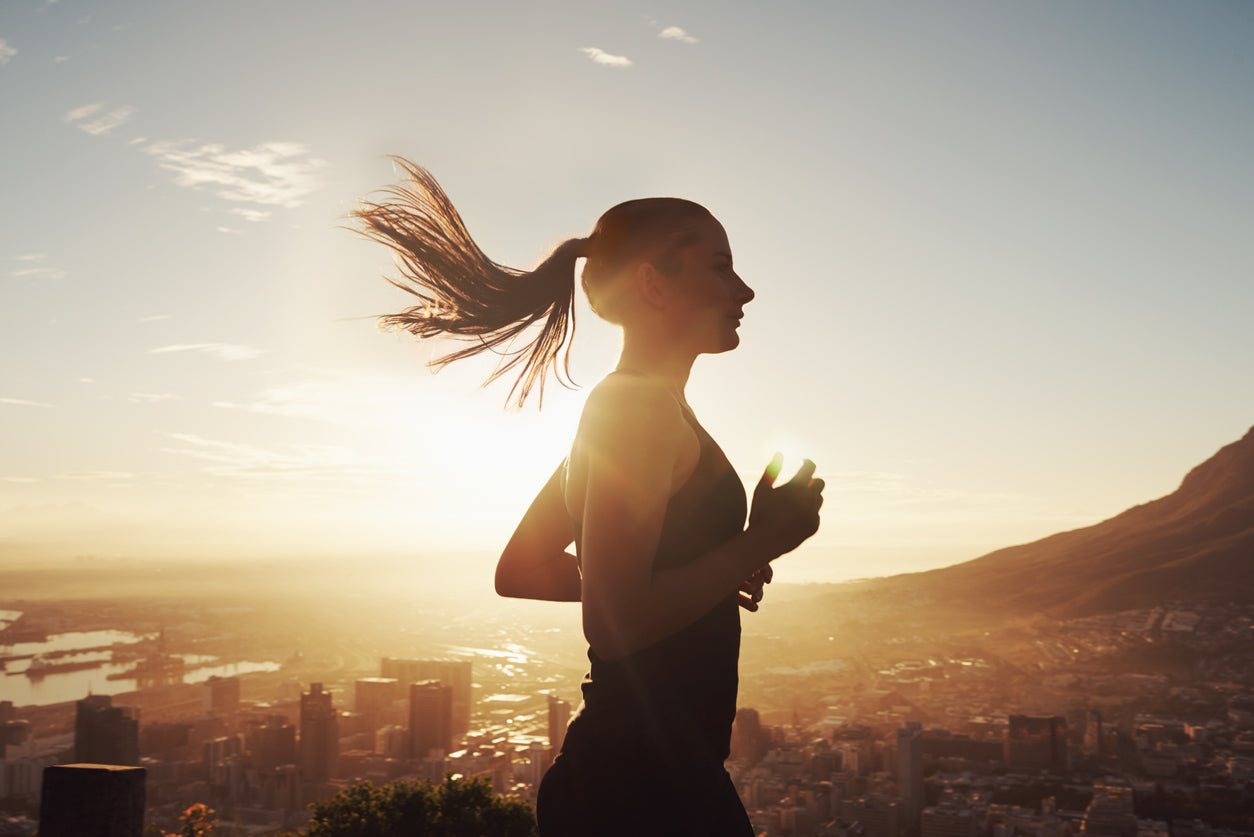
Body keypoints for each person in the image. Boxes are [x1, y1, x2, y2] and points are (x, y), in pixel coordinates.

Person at [353, 159, 825, 835]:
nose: (744, 289)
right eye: (720, 266)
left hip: (637, 778)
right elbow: (615, 619)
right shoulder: (637, 414)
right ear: (652, 284)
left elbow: (525, 567)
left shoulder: (630, 410)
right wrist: (756, 541)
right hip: (645, 788)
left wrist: (707, 574)